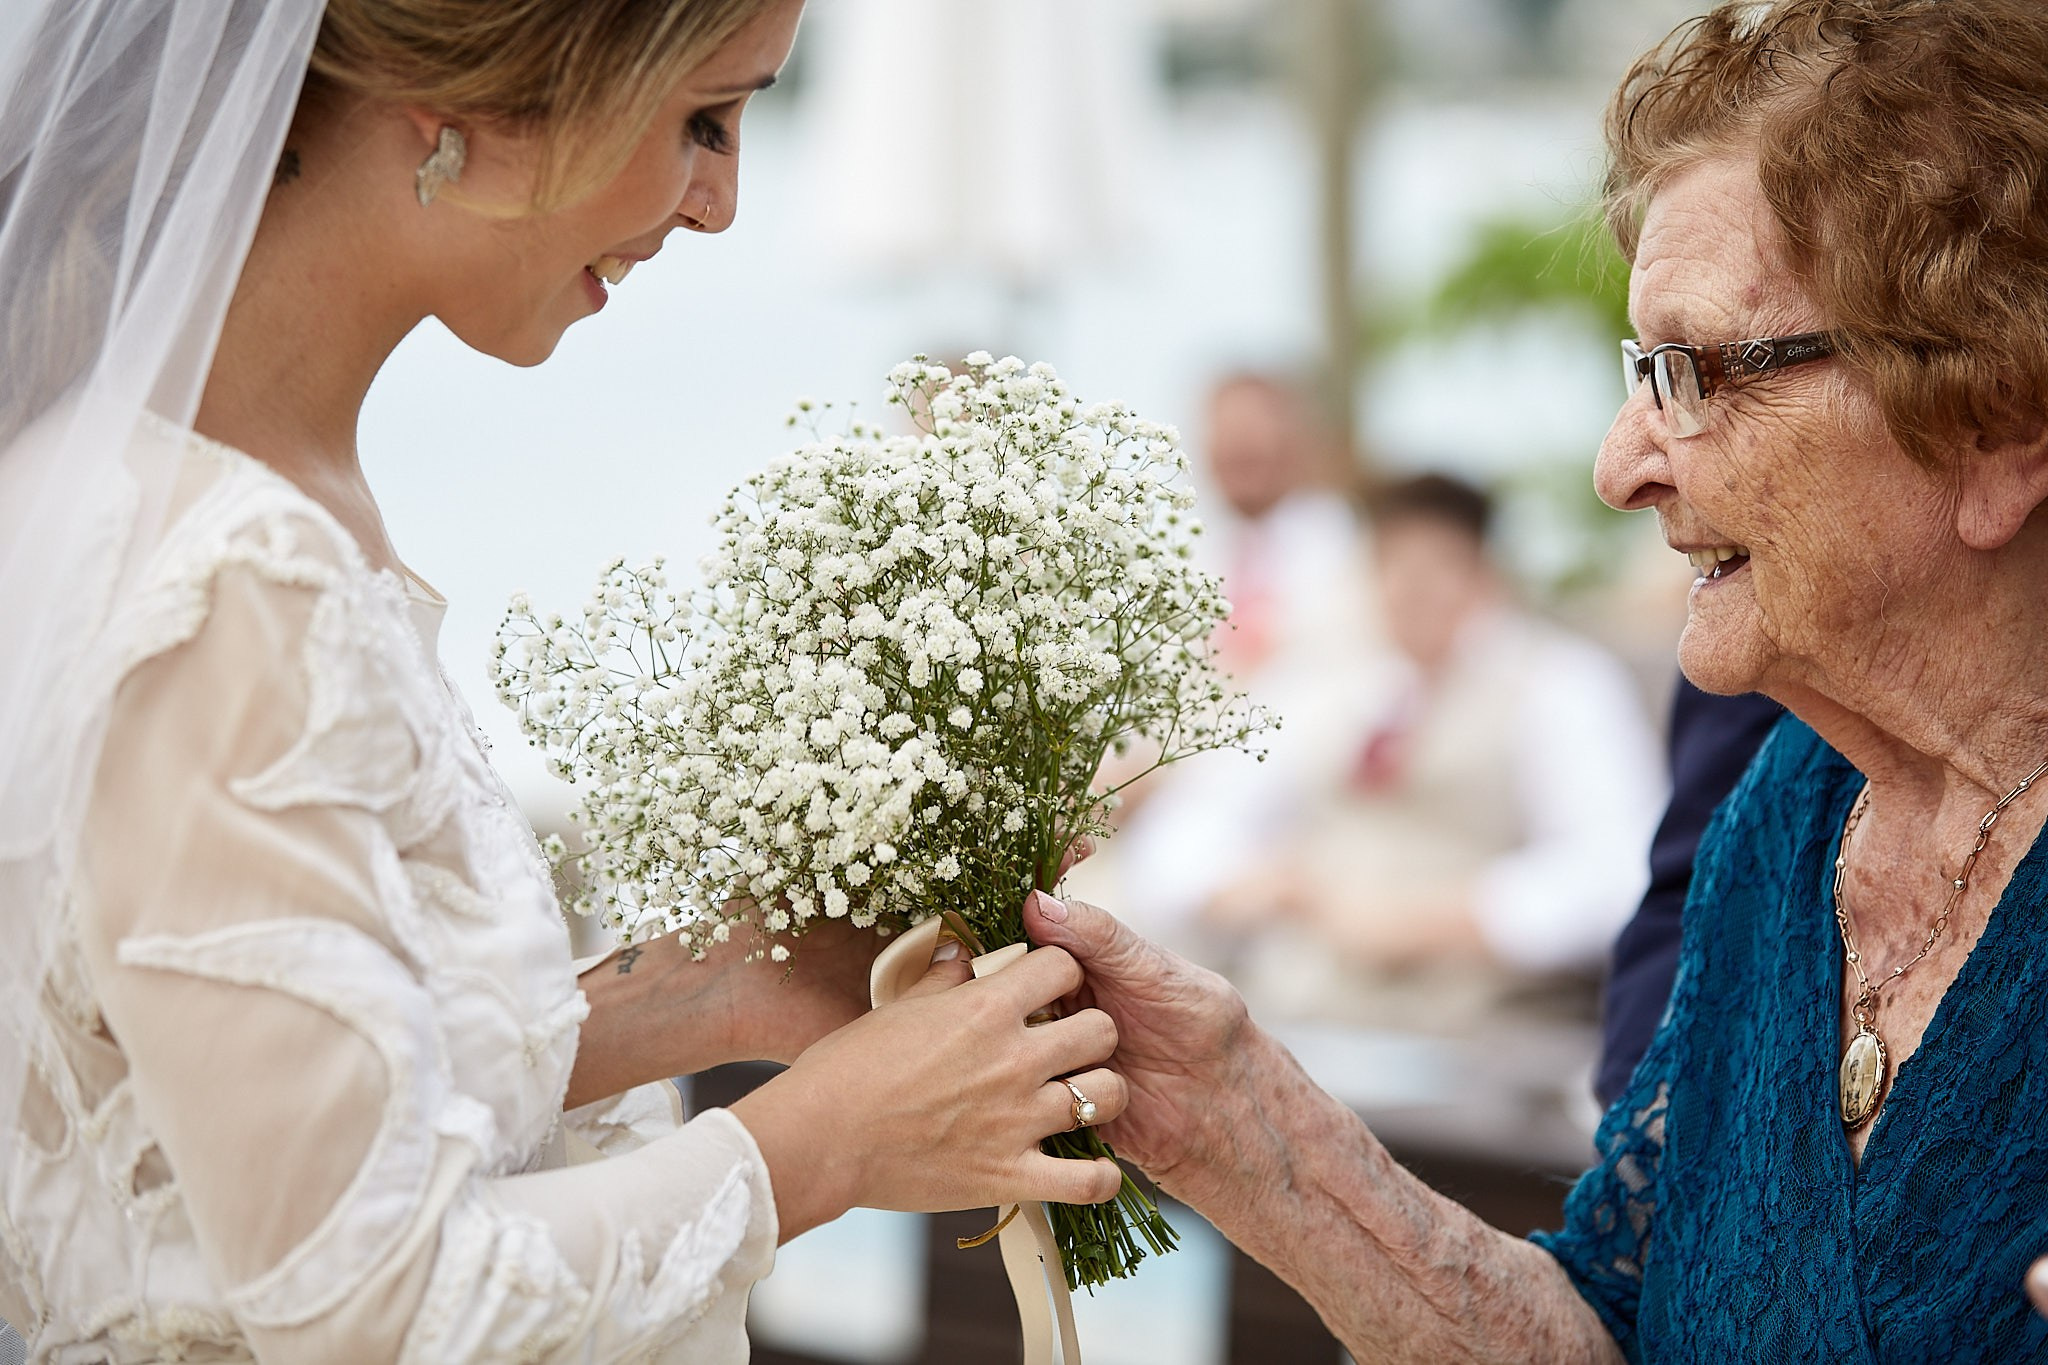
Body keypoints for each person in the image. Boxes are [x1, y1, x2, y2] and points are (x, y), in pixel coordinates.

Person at [0, 2, 1124, 1359]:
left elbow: (246, 1118)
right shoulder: (222, 577)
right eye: (703, 117)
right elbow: (369, 1308)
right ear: (457, 95)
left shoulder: (162, 490)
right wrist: (829, 1141)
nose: (719, 204)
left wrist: (708, 991)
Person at [1024, 0, 2048, 1357]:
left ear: (1992, 425)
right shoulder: (1786, 822)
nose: (1618, 465)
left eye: (1694, 374)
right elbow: (1607, 1330)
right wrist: (1236, 1116)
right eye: (1640, 374)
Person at [1210, 472, 1663, 1033]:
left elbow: (1618, 871)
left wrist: (1431, 922)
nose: (1412, 588)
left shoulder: (1557, 682)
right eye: (1393, 565)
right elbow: (1195, 831)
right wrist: (1266, 884)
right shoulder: (1317, 685)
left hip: (1487, 1026)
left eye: (1438, 565)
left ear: (1483, 572)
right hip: (1309, 1012)